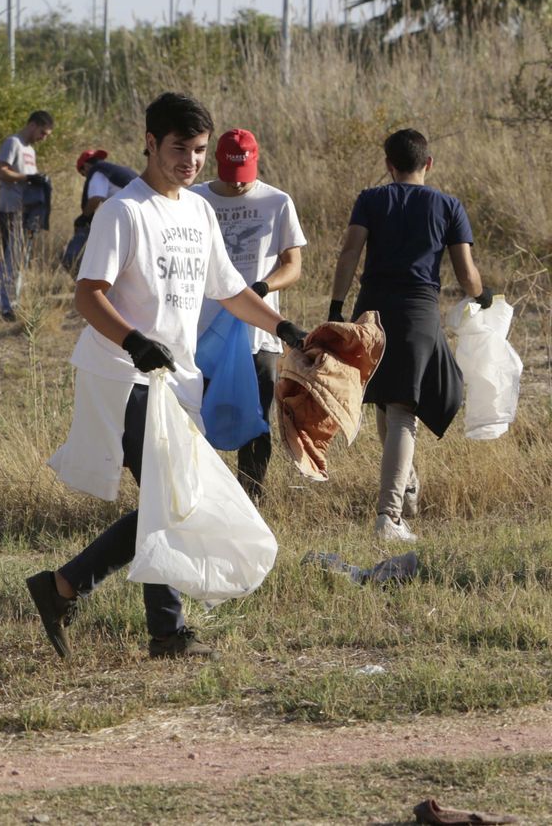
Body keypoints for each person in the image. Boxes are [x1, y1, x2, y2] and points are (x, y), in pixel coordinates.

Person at [29, 93, 309, 661]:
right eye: (180, 148)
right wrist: (134, 341)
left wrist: (286, 330)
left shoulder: (198, 211)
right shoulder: (124, 212)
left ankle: (73, 591)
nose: (192, 161)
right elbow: (88, 295)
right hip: (122, 375)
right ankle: (154, 625)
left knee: (171, 499)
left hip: (175, 379)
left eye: (200, 150)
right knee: (171, 495)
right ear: (151, 143)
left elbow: (230, 291)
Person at [328, 128, 489, 543]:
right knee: (401, 410)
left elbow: (349, 253)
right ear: (428, 163)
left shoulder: (370, 199)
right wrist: (482, 295)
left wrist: (336, 307)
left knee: (387, 403)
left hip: (373, 310)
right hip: (418, 312)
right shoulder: (448, 205)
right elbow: (466, 272)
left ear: (389, 165)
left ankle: (408, 483)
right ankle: (389, 515)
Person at [189, 128, 307, 500]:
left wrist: (264, 287)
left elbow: (293, 265)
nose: (238, 184)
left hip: (260, 333)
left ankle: (250, 499)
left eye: (244, 176)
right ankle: (200, 499)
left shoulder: (277, 202)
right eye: (230, 175)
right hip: (201, 334)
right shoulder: (194, 199)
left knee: (256, 420)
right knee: (195, 419)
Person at [0, 110, 54, 321]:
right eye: (43, 133)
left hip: (27, 211)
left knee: (20, 260)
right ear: (32, 125)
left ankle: (14, 303)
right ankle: (7, 307)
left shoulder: (30, 150)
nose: (43, 138)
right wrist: (27, 178)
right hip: (10, 209)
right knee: (11, 258)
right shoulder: (13, 143)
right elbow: (0, 171)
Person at [60, 149, 137, 271]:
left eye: (83, 174)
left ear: (86, 166)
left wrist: (84, 216)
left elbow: (95, 198)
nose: (86, 177)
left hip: (131, 216)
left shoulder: (97, 172)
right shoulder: (117, 171)